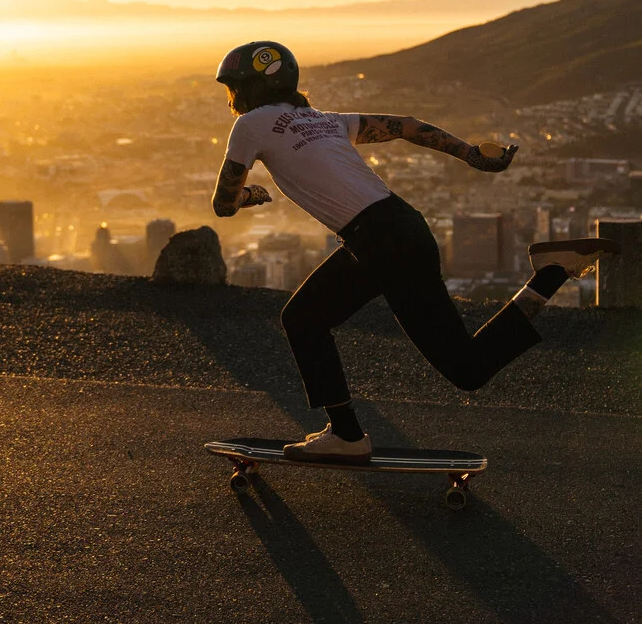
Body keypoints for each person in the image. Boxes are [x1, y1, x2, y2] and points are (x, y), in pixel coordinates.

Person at [211, 40, 620, 465]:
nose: (232, 99)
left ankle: (347, 436)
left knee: (303, 319)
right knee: (467, 367)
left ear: (252, 87)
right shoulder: (322, 120)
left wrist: (250, 195)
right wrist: (471, 155)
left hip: (377, 240)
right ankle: (552, 272)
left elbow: (224, 203)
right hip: (403, 225)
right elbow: (405, 125)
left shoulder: (251, 125)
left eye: (234, 88)